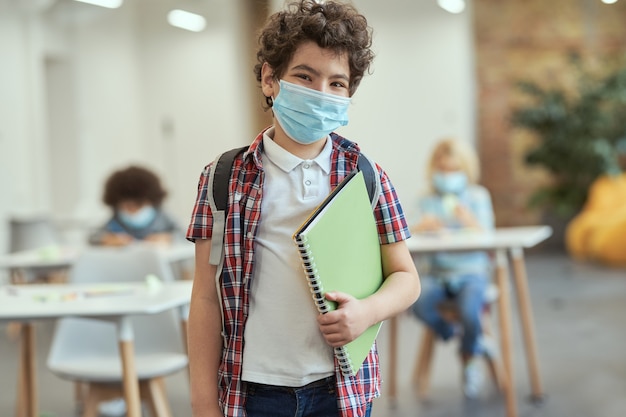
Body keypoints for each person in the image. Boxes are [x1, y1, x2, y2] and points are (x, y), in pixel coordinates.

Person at [185, 1, 421, 416]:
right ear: (269, 79)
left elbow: (406, 278)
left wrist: (366, 313)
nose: (320, 93)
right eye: (305, 77)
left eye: (337, 83)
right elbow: (205, 298)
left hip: (339, 391)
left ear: (349, 94)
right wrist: (204, 402)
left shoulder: (365, 176)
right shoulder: (223, 177)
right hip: (253, 392)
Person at [409, 138, 495, 399]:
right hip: (437, 274)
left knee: (471, 312)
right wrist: (422, 228)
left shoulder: (478, 197)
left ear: (466, 170)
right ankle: (460, 335)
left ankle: (468, 359)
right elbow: (407, 235)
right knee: (418, 302)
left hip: (471, 275)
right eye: (442, 169)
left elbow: (489, 238)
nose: (447, 176)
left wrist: (470, 222)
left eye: (453, 169)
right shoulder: (426, 199)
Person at [89, 165, 181, 246]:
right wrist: (106, 239)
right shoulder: (116, 220)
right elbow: (92, 237)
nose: (133, 210)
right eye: (127, 206)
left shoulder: (162, 217)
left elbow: (186, 236)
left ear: (151, 201)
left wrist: (168, 238)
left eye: (139, 205)